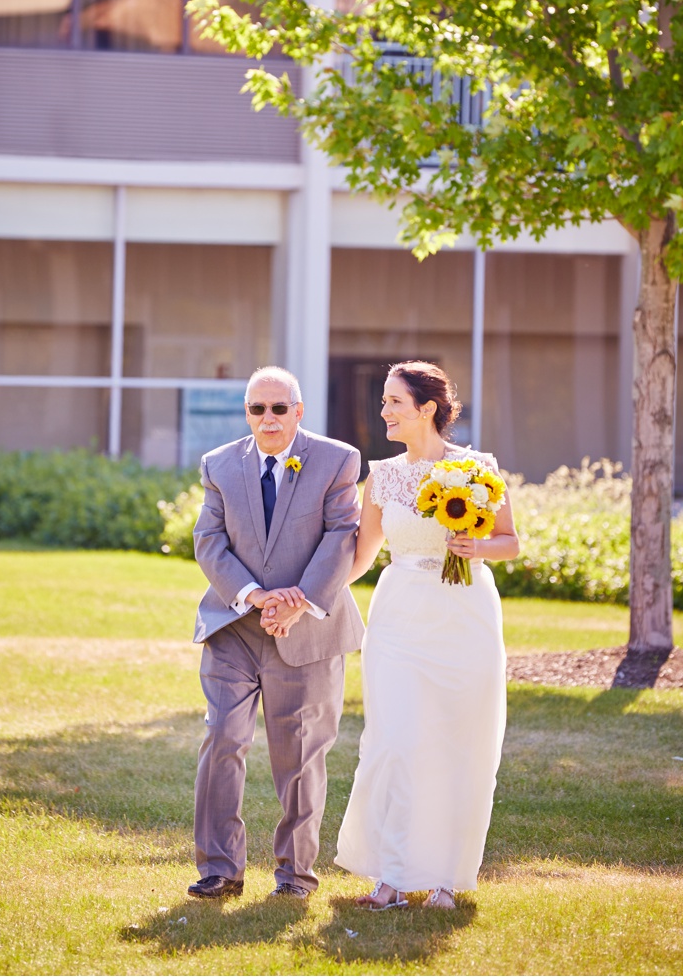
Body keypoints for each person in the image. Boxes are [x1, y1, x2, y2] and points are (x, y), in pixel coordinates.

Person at [335, 360, 519, 911]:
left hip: (464, 614)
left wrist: (475, 549)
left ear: (427, 409)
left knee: (459, 741)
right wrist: (304, 594)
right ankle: (390, 877)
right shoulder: (383, 476)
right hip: (398, 616)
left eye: (394, 401)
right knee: (394, 740)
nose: (384, 411)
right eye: (385, 401)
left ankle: (447, 879)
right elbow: (361, 557)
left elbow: (509, 540)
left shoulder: (477, 468)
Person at [189, 366, 364, 900]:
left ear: (299, 411)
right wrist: (255, 597)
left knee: (301, 754)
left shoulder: (338, 460)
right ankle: (220, 868)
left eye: (278, 409)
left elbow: (341, 537)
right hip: (234, 627)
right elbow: (209, 540)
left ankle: (294, 875)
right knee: (222, 737)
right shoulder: (219, 464)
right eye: (256, 409)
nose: (267, 419)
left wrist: (298, 602)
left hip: (308, 632)